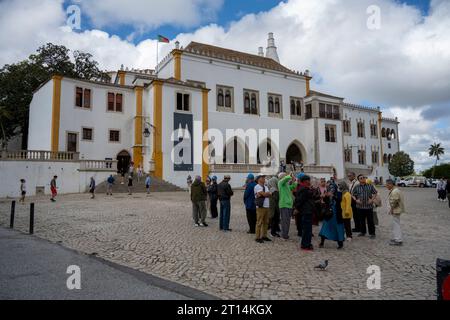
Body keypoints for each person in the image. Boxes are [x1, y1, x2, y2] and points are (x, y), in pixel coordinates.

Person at [319, 180, 346, 249]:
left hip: (337, 215)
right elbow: (325, 201)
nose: (331, 189)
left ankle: (340, 244)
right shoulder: (327, 193)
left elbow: (339, 200)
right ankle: (322, 242)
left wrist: (333, 195)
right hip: (329, 214)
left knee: (338, 229)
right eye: (330, 188)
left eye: (332, 188)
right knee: (325, 227)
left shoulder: (339, 193)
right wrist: (324, 196)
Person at [294, 175, 315, 251]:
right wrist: (297, 208)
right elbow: (300, 200)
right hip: (306, 211)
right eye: (308, 180)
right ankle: (305, 245)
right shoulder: (304, 189)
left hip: (307, 210)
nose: (309, 182)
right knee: (307, 229)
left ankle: (305, 244)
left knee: (307, 229)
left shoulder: (304, 188)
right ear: (305, 181)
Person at [386, 179, 405, 246]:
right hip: (395, 210)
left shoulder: (395, 191)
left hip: (395, 210)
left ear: (390, 184)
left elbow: (394, 201)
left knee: (396, 225)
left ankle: (398, 240)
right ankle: (396, 238)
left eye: (387, 185)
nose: (386, 186)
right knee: (395, 224)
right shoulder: (395, 190)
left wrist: (391, 209)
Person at [278, 172, 297, 240]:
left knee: (287, 221)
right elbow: (285, 179)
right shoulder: (280, 182)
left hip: (289, 205)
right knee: (284, 221)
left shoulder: (286, 185)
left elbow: (293, 186)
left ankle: (285, 234)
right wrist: (290, 175)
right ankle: (284, 235)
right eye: (285, 176)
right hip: (284, 204)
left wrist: (294, 181)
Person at [254, 175, 272, 243]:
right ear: (258, 179)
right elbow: (265, 194)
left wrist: (265, 194)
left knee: (266, 222)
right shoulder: (257, 186)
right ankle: (257, 237)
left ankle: (264, 235)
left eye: (264, 177)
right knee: (259, 222)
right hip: (260, 206)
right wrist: (266, 194)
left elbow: (269, 194)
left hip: (266, 206)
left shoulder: (265, 186)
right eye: (262, 178)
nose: (264, 179)